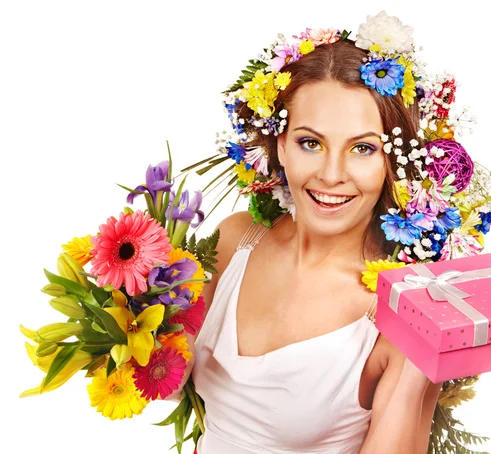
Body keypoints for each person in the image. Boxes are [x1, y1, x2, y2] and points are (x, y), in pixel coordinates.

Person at [181, 11, 444, 454]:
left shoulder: (402, 311)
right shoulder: (233, 240)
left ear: (391, 164)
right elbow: (160, 384)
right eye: (310, 142)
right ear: (280, 145)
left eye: (362, 149)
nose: (332, 174)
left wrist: (428, 352)